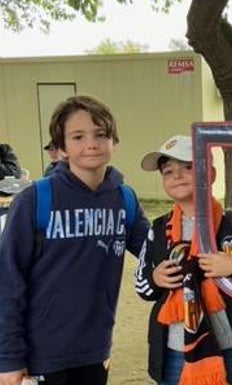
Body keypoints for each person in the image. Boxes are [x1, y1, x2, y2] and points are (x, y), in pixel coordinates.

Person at [0, 95, 150, 385]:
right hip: (40, 355)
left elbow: (155, 253)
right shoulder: (35, 200)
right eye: (78, 136)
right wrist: (8, 358)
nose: (91, 144)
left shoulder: (124, 200)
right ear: (61, 148)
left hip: (94, 352)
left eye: (101, 134)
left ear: (114, 142)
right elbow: (7, 282)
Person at [135, 135, 232, 385]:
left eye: (188, 167)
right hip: (173, 347)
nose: (177, 176)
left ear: (209, 174)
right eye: (168, 171)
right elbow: (142, 287)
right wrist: (156, 278)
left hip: (227, 345)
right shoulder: (158, 229)